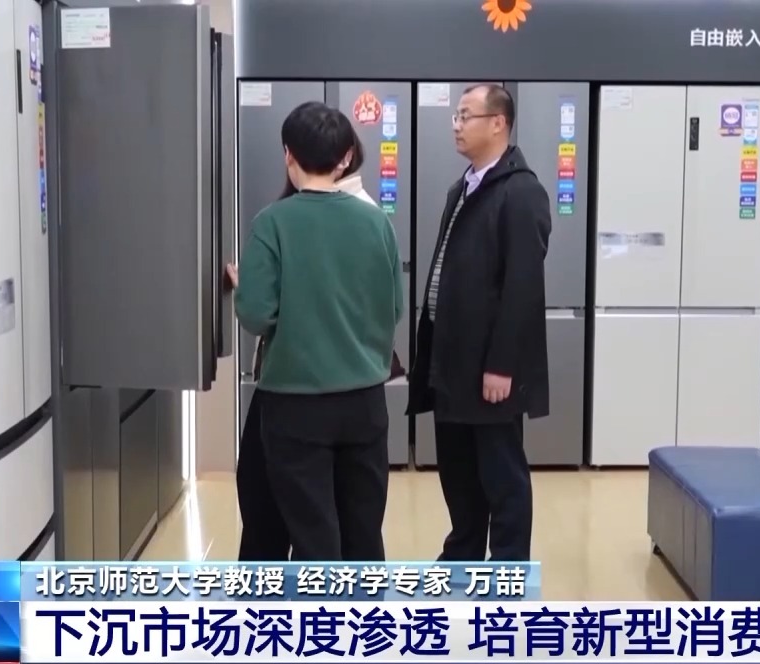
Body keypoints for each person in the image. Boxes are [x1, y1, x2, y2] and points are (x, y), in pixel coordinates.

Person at [230, 102, 404, 561]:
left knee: (312, 534)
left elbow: (256, 315)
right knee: (363, 531)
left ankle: (317, 609)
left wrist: (248, 288)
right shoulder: (376, 222)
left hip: (296, 405)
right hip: (365, 403)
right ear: (346, 157)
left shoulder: (273, 222)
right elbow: (394, 308)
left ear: (288, 154)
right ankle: (365, 608)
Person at [407, 83, 551, 562]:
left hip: (490, 366)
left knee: (501, 473)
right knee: (458, 469)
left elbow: (523, 287)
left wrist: (502, 365)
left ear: (498, 123)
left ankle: (508, 567)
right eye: (455, 116)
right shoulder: (464, 186)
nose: (456, 125)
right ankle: (463, 555)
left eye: (465, 116)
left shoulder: (521, 191)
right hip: (450, 358)